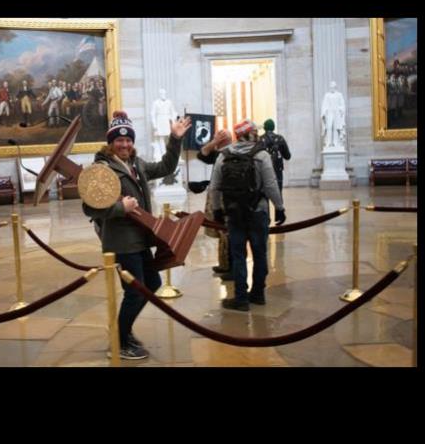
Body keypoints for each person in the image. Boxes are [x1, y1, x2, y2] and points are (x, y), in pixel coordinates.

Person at [83, 110, 192, 360]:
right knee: (136, 290)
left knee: (151, 284)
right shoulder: (101, 169)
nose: (124, 144)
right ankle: (119, 341)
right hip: (121, 241)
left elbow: (167, 166)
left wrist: (174, 139)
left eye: (128, 140)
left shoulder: (136, 163)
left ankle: (123, 330)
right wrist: (122, 207)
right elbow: (89, 207)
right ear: (111, 143)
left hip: (141, 238)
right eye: (119, 140)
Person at [208, 119, 285, 311]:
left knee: (239, 255)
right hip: (258, 211)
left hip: (234, 213)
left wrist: (217, 211)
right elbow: (270, 185)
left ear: (237, 136)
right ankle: (258, 294)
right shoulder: (262, 155)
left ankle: (241, 298)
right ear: (252, 134)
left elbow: (214, 188)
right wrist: (280, 207)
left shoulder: (224, 155)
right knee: (260, 254)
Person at [193, 128, 233, 277]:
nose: (213, 141)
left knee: (227, 233)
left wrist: (215, 142)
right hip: (221, 199)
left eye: (216, 138)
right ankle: (224, 264)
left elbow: (202, 152)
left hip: (226, 200)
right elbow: (201, 154)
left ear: (222, 141)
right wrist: (215, 142)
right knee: (222, 233)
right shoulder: (219, 154)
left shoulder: (228, 153)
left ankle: (230, 267)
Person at [260, 119, 291, 193]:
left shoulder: (260, 140)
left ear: (264, 128)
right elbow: (287, 156)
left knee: (264, 195)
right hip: (278, 169)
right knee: (278, 194)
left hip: (264, 170)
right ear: (273, 127)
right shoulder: (280, 139)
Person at [150, 88, 178, 160]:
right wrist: (154, 125)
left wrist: (173, 121)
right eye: (161, 93)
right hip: (160, 120)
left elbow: (173, 112)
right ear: (159, 94)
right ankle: (163, 153)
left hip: (167, 120)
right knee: (161, 138)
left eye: (164, 93)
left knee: (169, 137)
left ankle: (170, 152)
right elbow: (152, 114)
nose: (163, 95)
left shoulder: (169, 102)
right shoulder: (155, 103)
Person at [320, 81, 346, 148]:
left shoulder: (339, 95)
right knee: (329, 127)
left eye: (333, 87)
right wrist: (324, 112)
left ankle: (335, 143)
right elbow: (324, 105)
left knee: (336, 128)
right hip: (329, 113)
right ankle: (328, 142)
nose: (332, 88)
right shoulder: (327, 95)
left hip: (336, 112)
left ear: (335, 87)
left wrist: (340, 109)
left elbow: (342, 104)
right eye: (331, 87)